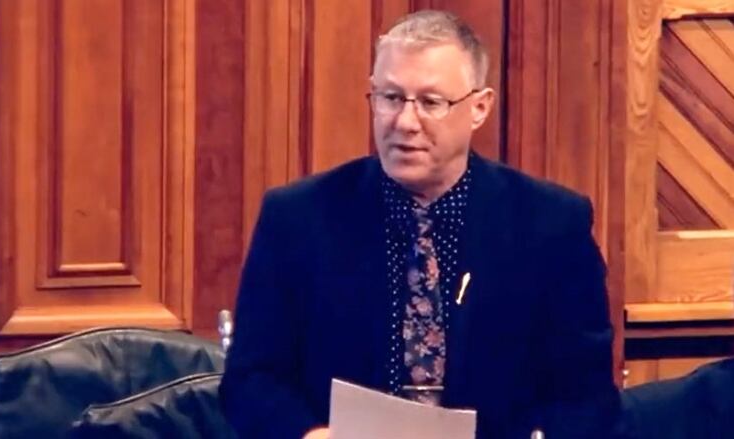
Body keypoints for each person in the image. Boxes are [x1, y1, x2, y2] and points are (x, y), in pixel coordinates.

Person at [220, 10, 620, 439]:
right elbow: (250, 381)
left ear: (479, 108)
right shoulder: (298, 218)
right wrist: (309, 435)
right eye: (390, 98)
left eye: (431, 103)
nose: (405, 123)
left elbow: (588, 398)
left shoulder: (551, 225)